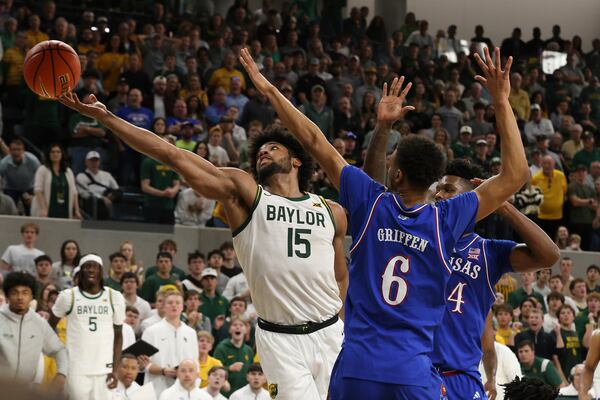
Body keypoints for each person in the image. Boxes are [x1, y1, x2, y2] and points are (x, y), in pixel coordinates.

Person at [61, 45, 350, 400]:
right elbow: (170, 154)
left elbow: (340, 274)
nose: (263, 151)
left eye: (273, 148)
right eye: (260, 149)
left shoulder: (331, 210)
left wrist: (338, 317)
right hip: (281, 339)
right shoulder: (245, 194)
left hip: (331, 333)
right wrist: (107, 117)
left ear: (297, 162)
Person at [240, 45, 529, 399]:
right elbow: (516, 173)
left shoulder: (370, 203)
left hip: (357, 368)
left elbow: (314, 139)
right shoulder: (447, 219)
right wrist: (501, 100)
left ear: (395, 175)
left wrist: (269, 89)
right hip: (411, 372)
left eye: (391, 160)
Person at [365, 111, 558, 400]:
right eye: (437, 188)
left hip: (462, 377)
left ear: (470, 199)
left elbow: (549, 254)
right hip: (415, 372)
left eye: (448, 189)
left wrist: (502, 205)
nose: (439, 195)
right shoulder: (417, 234)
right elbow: (374, 189)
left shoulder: (488, 251)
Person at [50, 254, 126, 400]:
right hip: (76, 369)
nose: (91, 270)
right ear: (80, 271)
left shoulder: (114, 297)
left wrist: (115, 370)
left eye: (95, 267)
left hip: (104, 369)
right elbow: (49, 328)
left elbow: (118, 335)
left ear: (101, 272)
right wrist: (61, 358)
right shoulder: (68, 296)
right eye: (87, 267)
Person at [0, 272, 67, 387]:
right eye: (14, 293)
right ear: (7, 296)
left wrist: (61, 374)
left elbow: (59, 350)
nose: (20, 297)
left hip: (27, 390)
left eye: (25, 293)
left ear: (32, 296)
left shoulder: (39, 323)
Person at [142, 290, 199, 396]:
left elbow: (195, 363)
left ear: (182, 307)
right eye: (170, 303)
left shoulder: (191, 333)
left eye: (178, 303)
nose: (174, 305)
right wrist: (163, 371)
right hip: (156, 388)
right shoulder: (151, 331)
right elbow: (144, 364)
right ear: (164, 306)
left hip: (183, 390)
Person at [31, 144, 80, 219]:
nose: (55, 154)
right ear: (49, 154)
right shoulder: (42, 169)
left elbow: (74, 192)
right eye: (52, 152)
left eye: (58, 152)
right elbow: (38, 190)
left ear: (62, 154)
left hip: (64, 208)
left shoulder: (68, 171)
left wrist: (76, 210)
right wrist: (43, 209)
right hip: (46, 210)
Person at [213, 316, 254, 395]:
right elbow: (215, 371)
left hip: (244, 394)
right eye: (234, 325)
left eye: (241, 325)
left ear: (246, 330)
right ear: (230, 329)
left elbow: (251, 372)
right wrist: (229, 368)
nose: (238, 327)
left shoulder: (249, 350)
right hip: (225, 393)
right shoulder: (221, 348)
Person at [75, 151, 120, 220]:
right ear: (86, 162)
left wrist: (111, 197)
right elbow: (84, 194)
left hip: (108, 202)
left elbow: (117, 189)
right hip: (91, 203)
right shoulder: (81, 176)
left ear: (99, 162)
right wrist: (102, 198)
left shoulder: (107, 175)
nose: (94, 163)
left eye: (96, 160)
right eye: (91, 161)